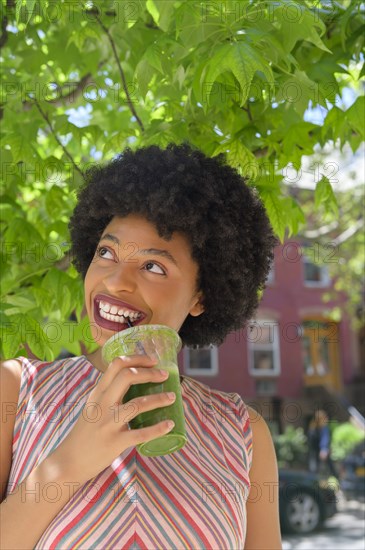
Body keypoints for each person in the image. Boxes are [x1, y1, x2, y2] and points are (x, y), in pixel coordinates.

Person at [0, 144, 281, 549]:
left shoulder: (244, 432)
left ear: (202, 296)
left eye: (153, 266)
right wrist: (71, 461)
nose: (115, 281)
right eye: (106, 252)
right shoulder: (17, 391)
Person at [308, 409, 337, 478]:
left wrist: (324, 449)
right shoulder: (318, 429)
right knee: (317, 470)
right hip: (317, 453)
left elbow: (325, 439)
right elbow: (324, 439)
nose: (327, 419)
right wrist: (323, 449)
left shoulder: (315, 428)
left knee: (319, 470)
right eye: (325, 418)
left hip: (318, 453)